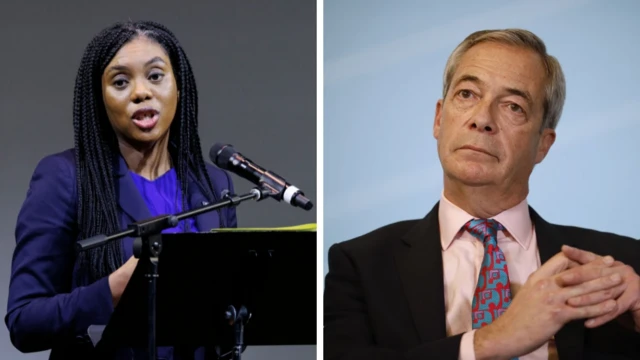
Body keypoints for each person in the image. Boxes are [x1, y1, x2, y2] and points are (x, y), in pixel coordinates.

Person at [324, 28, 640, 360]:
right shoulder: (362, 266)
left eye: (514, 106)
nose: (482, 119)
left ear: (543, 145)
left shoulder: (621, 267)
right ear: (438, 118)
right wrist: (491, 341)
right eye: (467, 94)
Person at [5, 20, 238, 359]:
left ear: (179, 87)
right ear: (100, 99)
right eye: (120, 81)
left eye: (155, 76)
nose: (141, 92)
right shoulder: (65, 177)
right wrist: (110, 292)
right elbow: (24, 321)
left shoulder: (214, 185)